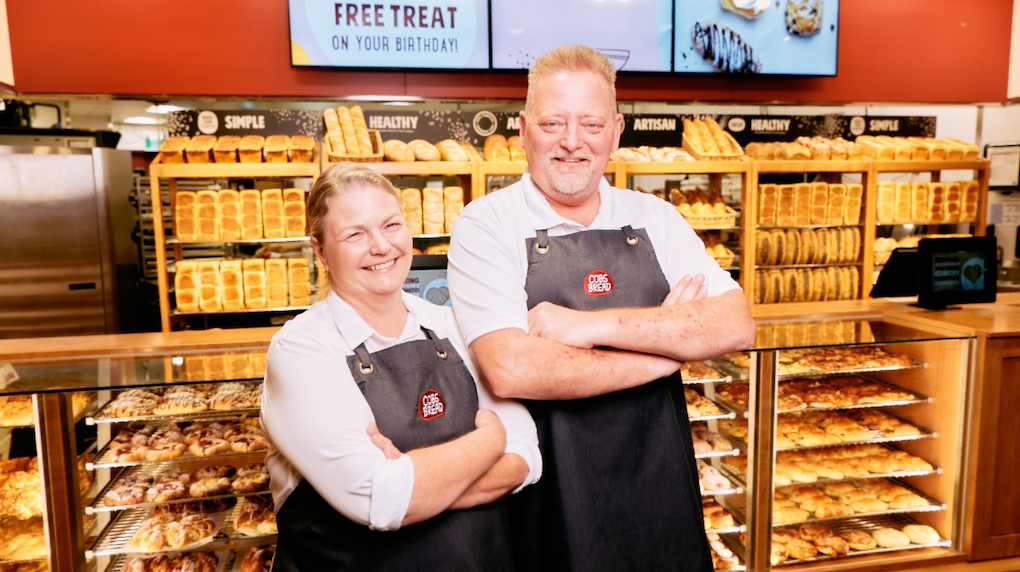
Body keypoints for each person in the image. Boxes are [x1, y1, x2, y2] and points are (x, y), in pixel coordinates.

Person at [448, 46, 756, 571]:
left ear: (615, 132)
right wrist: (664, 349)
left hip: (659, 488)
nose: (572, 141)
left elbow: (735, 322)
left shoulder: (655, 217)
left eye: (590, 123)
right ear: (522, 129)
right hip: (547, 501)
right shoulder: (486, 225)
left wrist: (583, 326)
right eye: (553, 122)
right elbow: (512, 367)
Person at [261, 162, 542, 571]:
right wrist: (489, 439)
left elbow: (526, 458)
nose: (381, 246)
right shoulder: (301, 349)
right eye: (355, 234)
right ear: (320, 250)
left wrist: (419, 485)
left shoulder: (452, 324)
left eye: (391, 225)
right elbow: (383, 498)